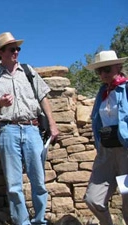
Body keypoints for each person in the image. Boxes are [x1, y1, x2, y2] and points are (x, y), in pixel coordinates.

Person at [0, 32, 59, 225]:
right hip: (8, 130)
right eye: (12, 49)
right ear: (1, 53)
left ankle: (40, 221)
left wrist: (53, 124)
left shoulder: (28, 71)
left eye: (17, 48)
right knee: (14, 184)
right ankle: (21, 222)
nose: (16, 52)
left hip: (32, 129)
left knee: (38, 180)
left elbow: (43, 98)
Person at [84, 50, 128, 225]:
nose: (103, 74)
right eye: (99, 71)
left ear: (118, 67)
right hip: (106, 151)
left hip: (126, 150)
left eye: (107, 69)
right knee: (92, 198)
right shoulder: (102, 92)